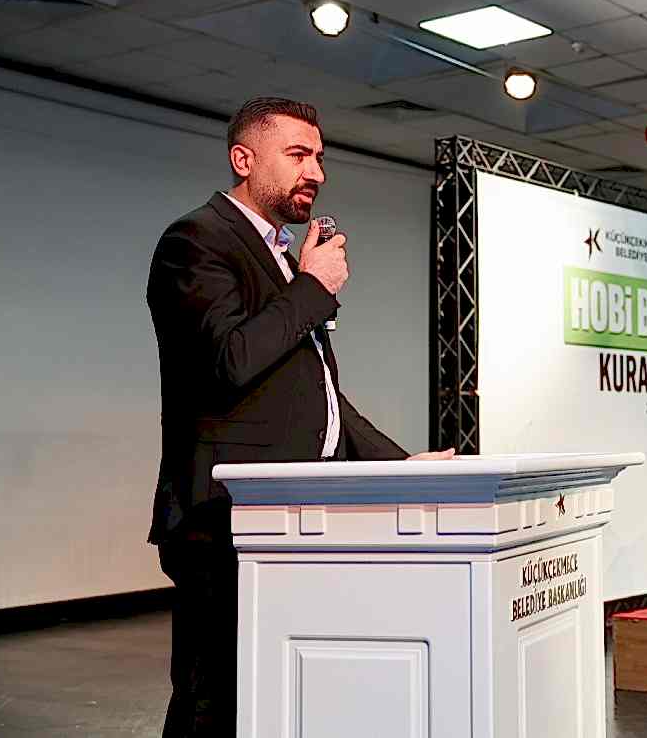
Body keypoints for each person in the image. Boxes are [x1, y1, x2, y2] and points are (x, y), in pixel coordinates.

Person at [146, 96, 452, 737]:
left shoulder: (282, 256)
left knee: (272, 694)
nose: (316, 171)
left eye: (318, 157)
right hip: (222, 519)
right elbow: (229, 360)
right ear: (243, 159)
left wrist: (401, 465)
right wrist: (312, 287)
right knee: (213, 699)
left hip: (286, 519)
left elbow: (316, 394)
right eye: (297, 155)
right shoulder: (195, 240)